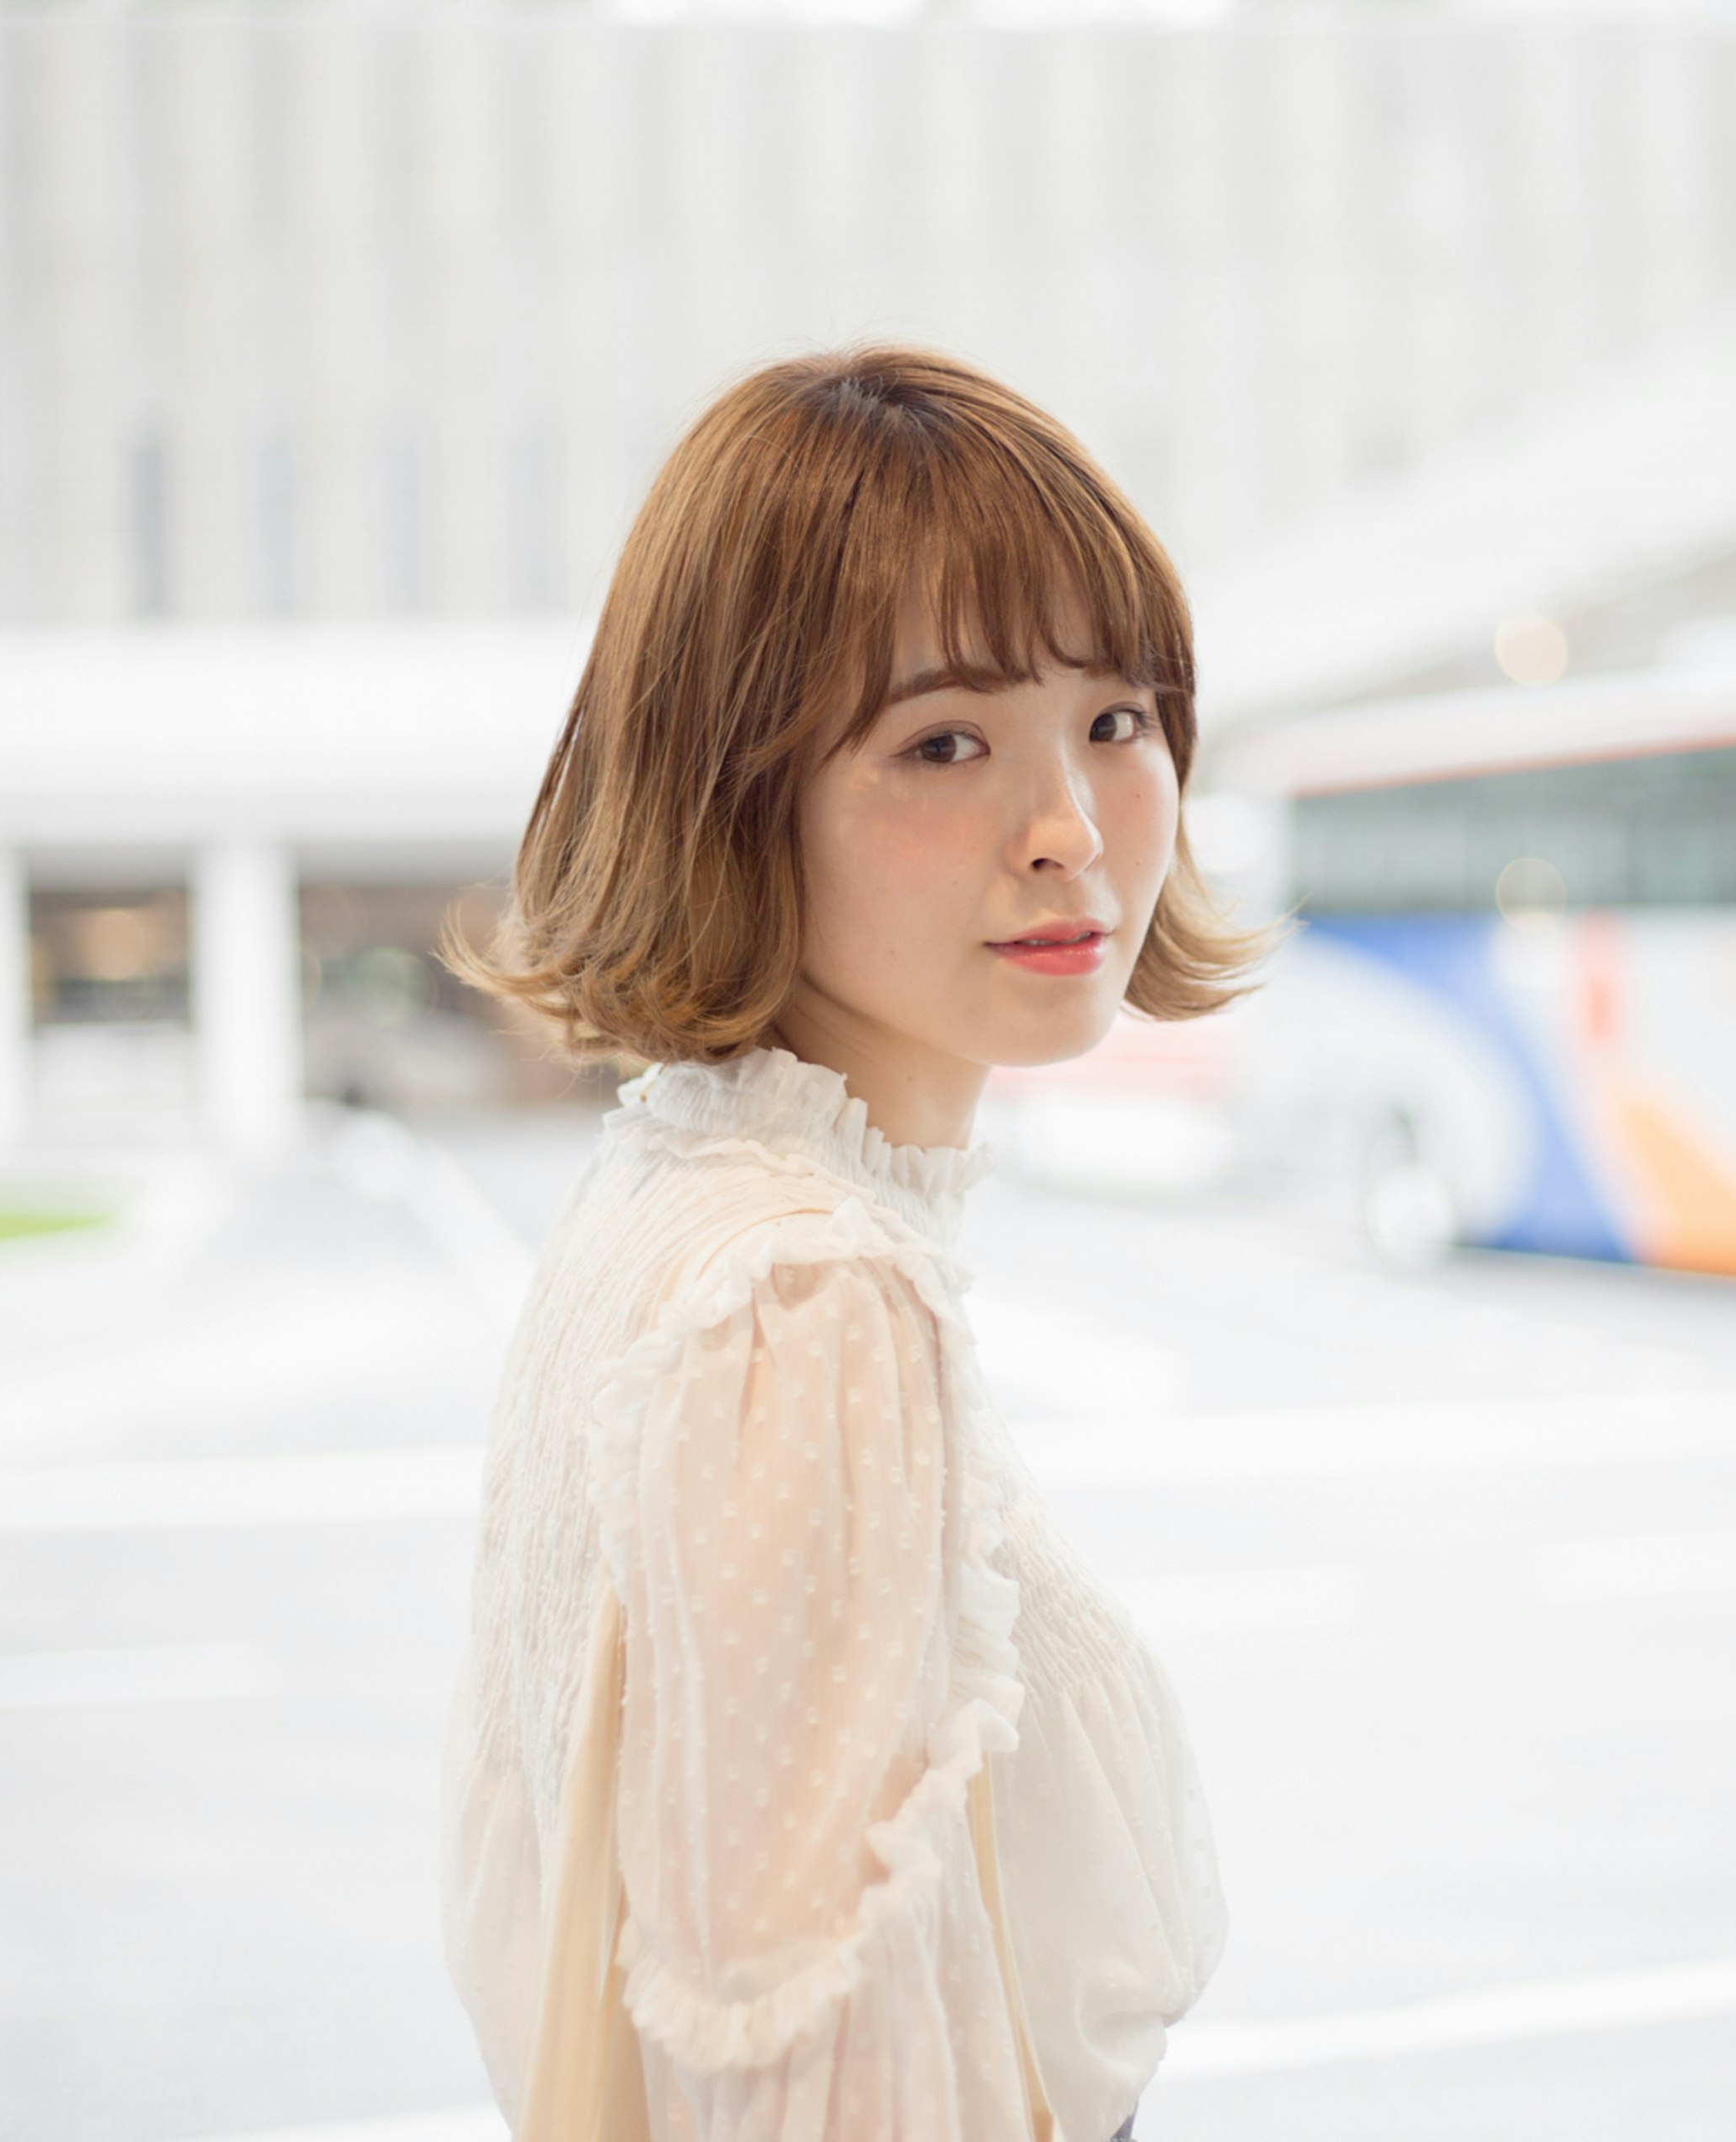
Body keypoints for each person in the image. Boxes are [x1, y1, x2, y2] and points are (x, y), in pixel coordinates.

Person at [440, 347, 1258, 2142]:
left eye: (1118, 719)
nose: (1070, 830)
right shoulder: (805, 1299)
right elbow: (807, 2070)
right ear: (734, 792)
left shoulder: (682, 1196)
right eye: (943, 742)